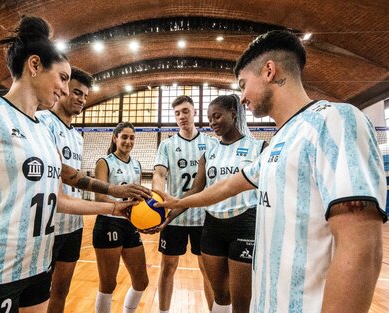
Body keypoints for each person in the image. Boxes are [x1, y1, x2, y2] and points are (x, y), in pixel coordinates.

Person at [156, 30, 388, 313]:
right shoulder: (279, 141)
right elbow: (229, 186)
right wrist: (177, 202)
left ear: (269, 71)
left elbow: (362, 248)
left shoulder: (335, 120)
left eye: (243, 85)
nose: (242, 98)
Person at [0, 16, 138, 313]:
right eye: (62, 78)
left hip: (36, 269)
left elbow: (54, 200)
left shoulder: (44, 131)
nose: (64, 89)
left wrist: (113, 207)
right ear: (34, 66)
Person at [163, 94, 266, 313]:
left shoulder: (258, 148)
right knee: (220, 295)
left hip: (244, 224)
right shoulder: (209, 152)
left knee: (241, 302)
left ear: (233, 113)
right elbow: (196, 190)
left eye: (217, 116)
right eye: (209, 119)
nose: (212, 123)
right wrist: (169, 216)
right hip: (212, 227)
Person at [152, 95, 216, 313]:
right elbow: (160, 173)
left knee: (208, 269)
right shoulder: (168, 145)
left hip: (204, 217)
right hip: (175, 217)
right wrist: (157, 199)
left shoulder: (211, 143)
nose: (181, 116)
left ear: (194, 112)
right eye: (177, 113)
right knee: (168, 267)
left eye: (185, 111)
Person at [36, 67, 92, 313]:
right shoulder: (42, 122)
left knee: (61, 291)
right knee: (37, 296)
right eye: (77, 92)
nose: (81, 99)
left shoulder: (78, 137)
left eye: (86, 96)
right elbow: (65, 173)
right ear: (64, 89)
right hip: (47, 226)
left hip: (73, 226)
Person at [92, 122, 149, 313]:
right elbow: (99, 196)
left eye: (132, 137)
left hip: (130, 224)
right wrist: (119, 205)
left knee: (141, 281)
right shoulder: (104, 161)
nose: (128, 141)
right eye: (124, 137)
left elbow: (138, 199)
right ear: (114, 138)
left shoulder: (136, 164)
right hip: (109, 222)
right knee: (108, 284)